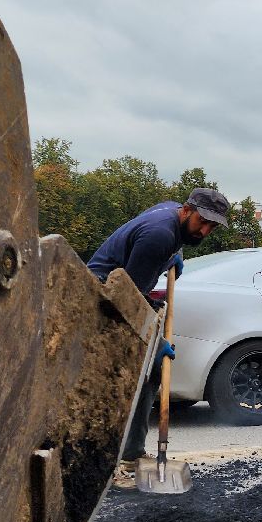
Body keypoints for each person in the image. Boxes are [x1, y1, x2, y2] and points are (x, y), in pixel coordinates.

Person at [87, 188, 230, 487]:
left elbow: (149, 254)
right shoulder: (159, 235)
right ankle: (103, 467)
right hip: (103, 306)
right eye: (202, 222)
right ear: (187, 210)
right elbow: (131, 301)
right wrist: (154, 342)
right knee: (119, 381)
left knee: (150, 372)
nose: (204, 230)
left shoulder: (169, 214)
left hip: (113, 298)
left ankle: (131, 453)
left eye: (212, 226)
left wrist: (170, 259)